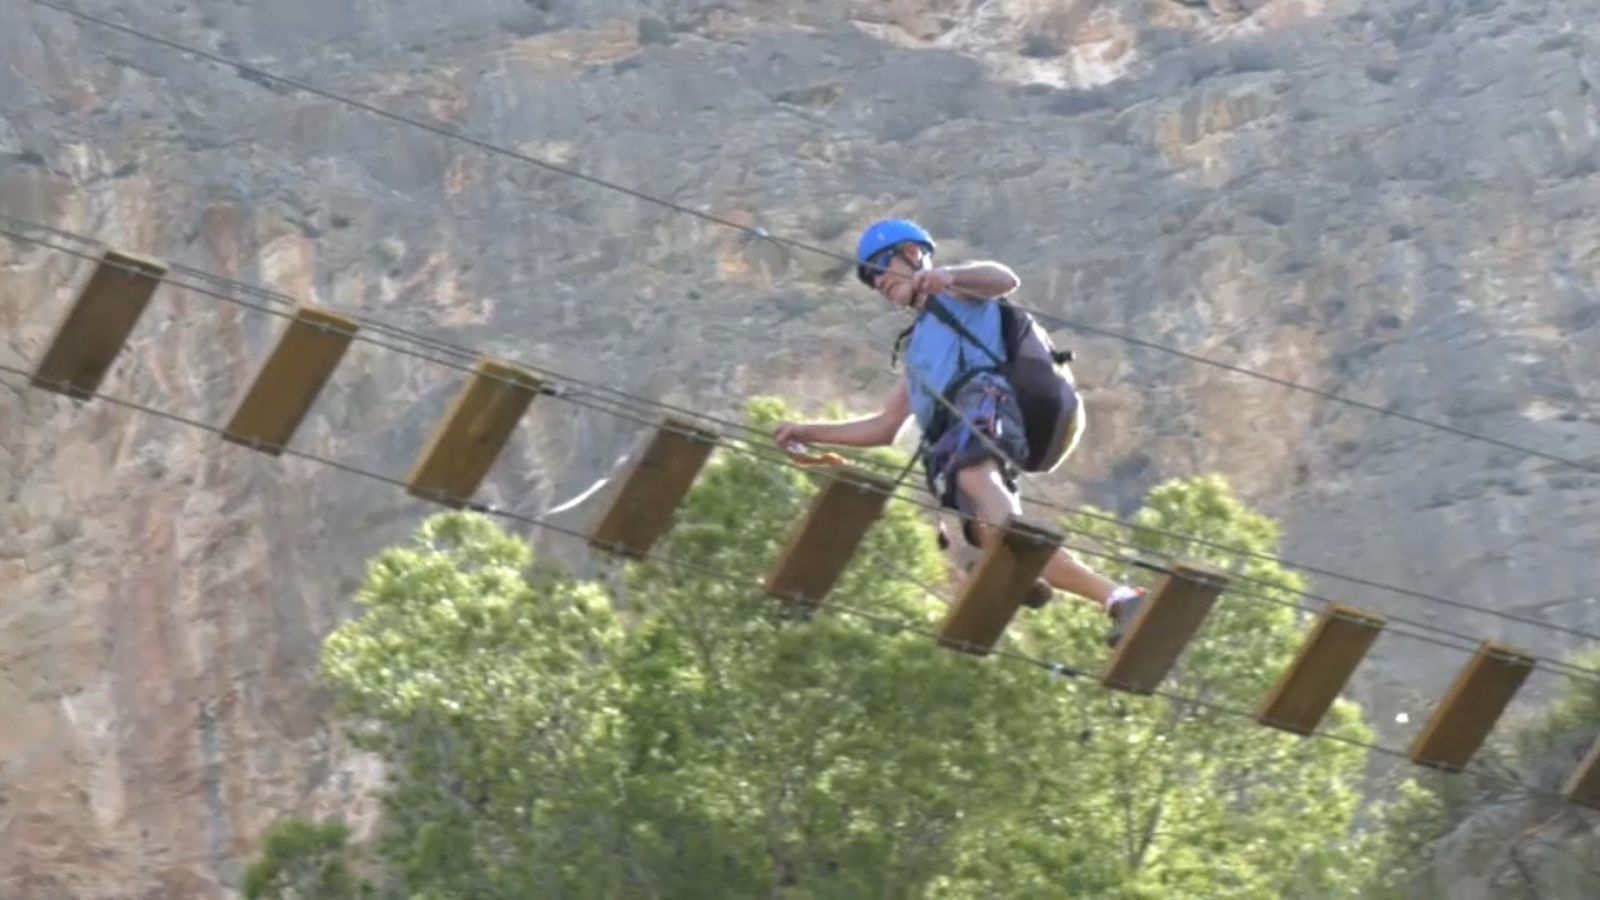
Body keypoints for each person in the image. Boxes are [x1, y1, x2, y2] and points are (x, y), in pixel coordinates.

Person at [772, 218, 1146, 646]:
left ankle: (1016, 549)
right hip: (953, 435)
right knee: (980, 531)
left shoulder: (959, 296)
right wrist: (808, 431)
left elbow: (1005, 279)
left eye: (880, 267)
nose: (877, 282)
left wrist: (946, 277)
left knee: (974, 477)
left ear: (912, 254)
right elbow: (885, 426)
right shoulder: (915, 351)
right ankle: (1118, 597)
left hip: (986, 401)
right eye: (870, 279)